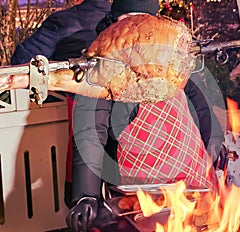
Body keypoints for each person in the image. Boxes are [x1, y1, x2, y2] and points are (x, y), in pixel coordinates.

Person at [66, 0, 227, 231]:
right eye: (127, 21)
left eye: (142, 21)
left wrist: (214, 138)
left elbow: (200, 101)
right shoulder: (104, 64)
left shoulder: (171, 58)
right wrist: (86, 195)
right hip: (138, 187)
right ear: (115, 24)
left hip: (190, 172)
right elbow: (90, 132)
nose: (136, 31)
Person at [10, 0, 111, 209]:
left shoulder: (64, 22)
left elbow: (21, 62)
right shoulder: (127, 24)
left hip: (86, 121)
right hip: (130, 129)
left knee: (83, 197)